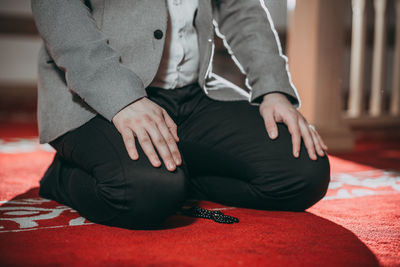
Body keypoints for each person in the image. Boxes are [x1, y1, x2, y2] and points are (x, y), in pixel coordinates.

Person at [31, 0, 330, 229]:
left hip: (194, 93)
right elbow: (59, 8)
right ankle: (62, 176)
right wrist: (122, 98)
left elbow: (241, 7)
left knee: (305, 172)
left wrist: (272, 89)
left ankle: (174, 175)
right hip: (96, 98)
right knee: (144, 194)